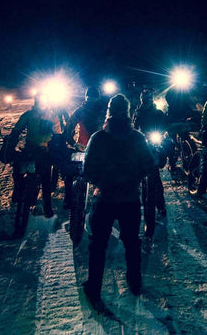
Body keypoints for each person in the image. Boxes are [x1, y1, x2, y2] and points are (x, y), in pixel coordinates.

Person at [82, 94, 154, 309]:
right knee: (132, 242)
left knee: (98, 245)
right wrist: (134, 178)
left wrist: (102, 182)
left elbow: (87, 170)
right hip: (130, 198)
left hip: (104, 197)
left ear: (109, 111)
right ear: (129, 112)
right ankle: (135, 282)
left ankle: (94, 288)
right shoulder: (138, 138)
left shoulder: (98, 138)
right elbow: (149, 166)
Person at [3, 93, 61, 218]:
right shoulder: (51, 116)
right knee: (45, 179)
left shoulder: (30, 115)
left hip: (32, 150)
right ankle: (47, 208)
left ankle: (20, 196)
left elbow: (15, 132)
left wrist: (10, 148)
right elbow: (57, 137)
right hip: (41, 151)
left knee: (26, 174)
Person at [62, 86, 106, 209]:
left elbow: (68, 130)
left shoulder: (101, 112)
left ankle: (69, 198)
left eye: (93, 99)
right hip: (85, 148)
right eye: (90, 99)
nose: (91, 102)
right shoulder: (101, 111)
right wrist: (74, 144)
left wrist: (74, 143)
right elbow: (68, 130)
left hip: (89, 148)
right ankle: (68, 198)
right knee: (70, 172)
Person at [133, 88, 168, 220]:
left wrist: (164, 133)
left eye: (148, 99)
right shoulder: (138, 112)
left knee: (156, 176)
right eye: (145, 100)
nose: (147, 102)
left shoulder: (158, 112)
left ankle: (161, 205)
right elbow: (135, 128)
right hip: (142, 143)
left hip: (154, 143)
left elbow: (164, 125)